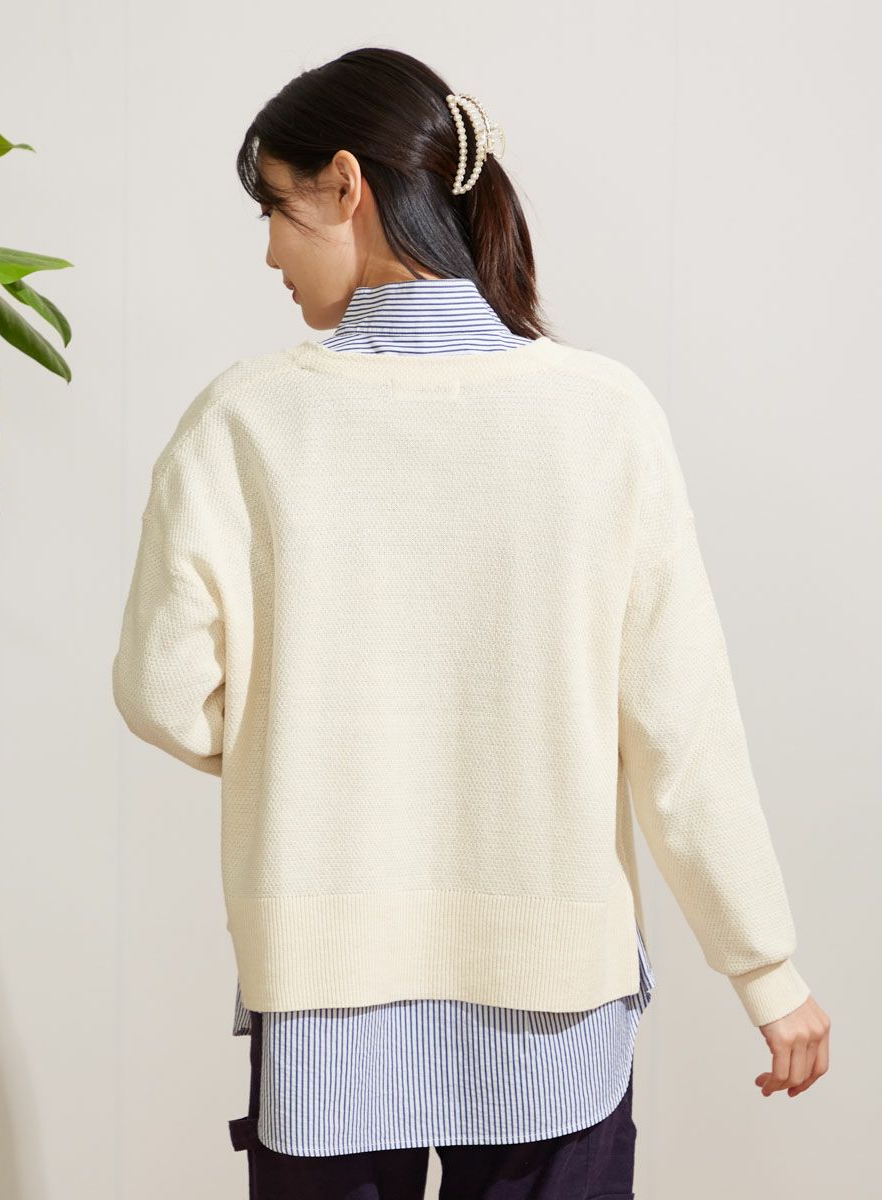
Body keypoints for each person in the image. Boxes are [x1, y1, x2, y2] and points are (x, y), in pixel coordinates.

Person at [112, 45, 830, 1200]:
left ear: (347, 185)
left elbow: (160, 693)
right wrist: (766, 971)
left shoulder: (245, 421)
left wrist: (292, 738)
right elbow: (681, 729)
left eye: (277, 209)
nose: (270, 252)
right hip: (558, 994)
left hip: (325, 993)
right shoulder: (603, 416)